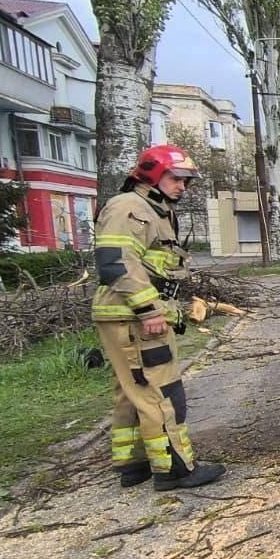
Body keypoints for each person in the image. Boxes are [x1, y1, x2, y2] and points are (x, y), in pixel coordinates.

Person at [91, 145, 226, 491]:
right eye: (176, 178)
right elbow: (116, 264)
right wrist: (149, 310)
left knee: (132, 390)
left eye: (186, 181)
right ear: (153, 174)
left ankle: (134, 464)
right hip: (134, 317)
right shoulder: (129, 208)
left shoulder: (153, 209)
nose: (183, 187)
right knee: (162, 392)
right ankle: (175, 469)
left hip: (126, 316)